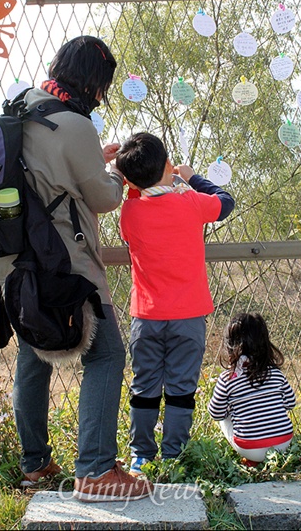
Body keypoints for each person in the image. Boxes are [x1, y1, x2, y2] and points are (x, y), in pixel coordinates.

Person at [0, 36, 153, 501]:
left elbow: (46, 169)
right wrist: (118, 172)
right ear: (94, 83)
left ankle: (35, 465)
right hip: (65, 263)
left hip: (14, 263)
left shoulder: (23, 105)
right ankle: (97, 470)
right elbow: (102, 198)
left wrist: (89, 163)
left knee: (34, 352)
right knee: (106, 353)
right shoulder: (77, 125)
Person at [114, 132, 235, 476]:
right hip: (189, 315)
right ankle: (173, 455)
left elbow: (139, 191)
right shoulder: (192, 202)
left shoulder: (130, 211)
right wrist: (191, 177)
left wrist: (135, 180)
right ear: (168, 165)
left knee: (144, 387)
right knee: (182, 389)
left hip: (147, 316)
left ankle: (141, 455)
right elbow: (225, 201)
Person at [208, 311, 296, 467]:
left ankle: (252, 459)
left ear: (229, 345)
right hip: (283, 443)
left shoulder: (227, 378)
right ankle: (270, 438)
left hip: (250, 447)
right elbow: (290, 403)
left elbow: (216, 413)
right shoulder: (276, 373)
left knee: (224, 418)